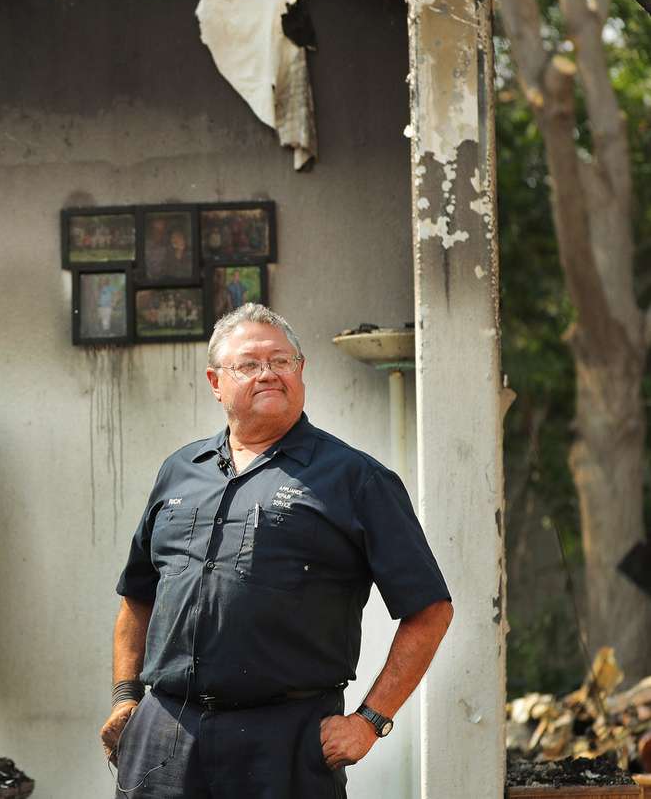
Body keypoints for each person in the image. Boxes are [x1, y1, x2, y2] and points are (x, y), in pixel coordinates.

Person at [99, 303, 452, 799]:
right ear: (216, 381)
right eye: (249, 364)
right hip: (164, 735)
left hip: (286, 742)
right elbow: (138, 597)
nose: (268, 373)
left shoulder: (356, 479)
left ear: (301, 372)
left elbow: (430, 609)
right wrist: (125, 698)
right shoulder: (179, 470)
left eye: (281, 361)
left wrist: (371, 720)